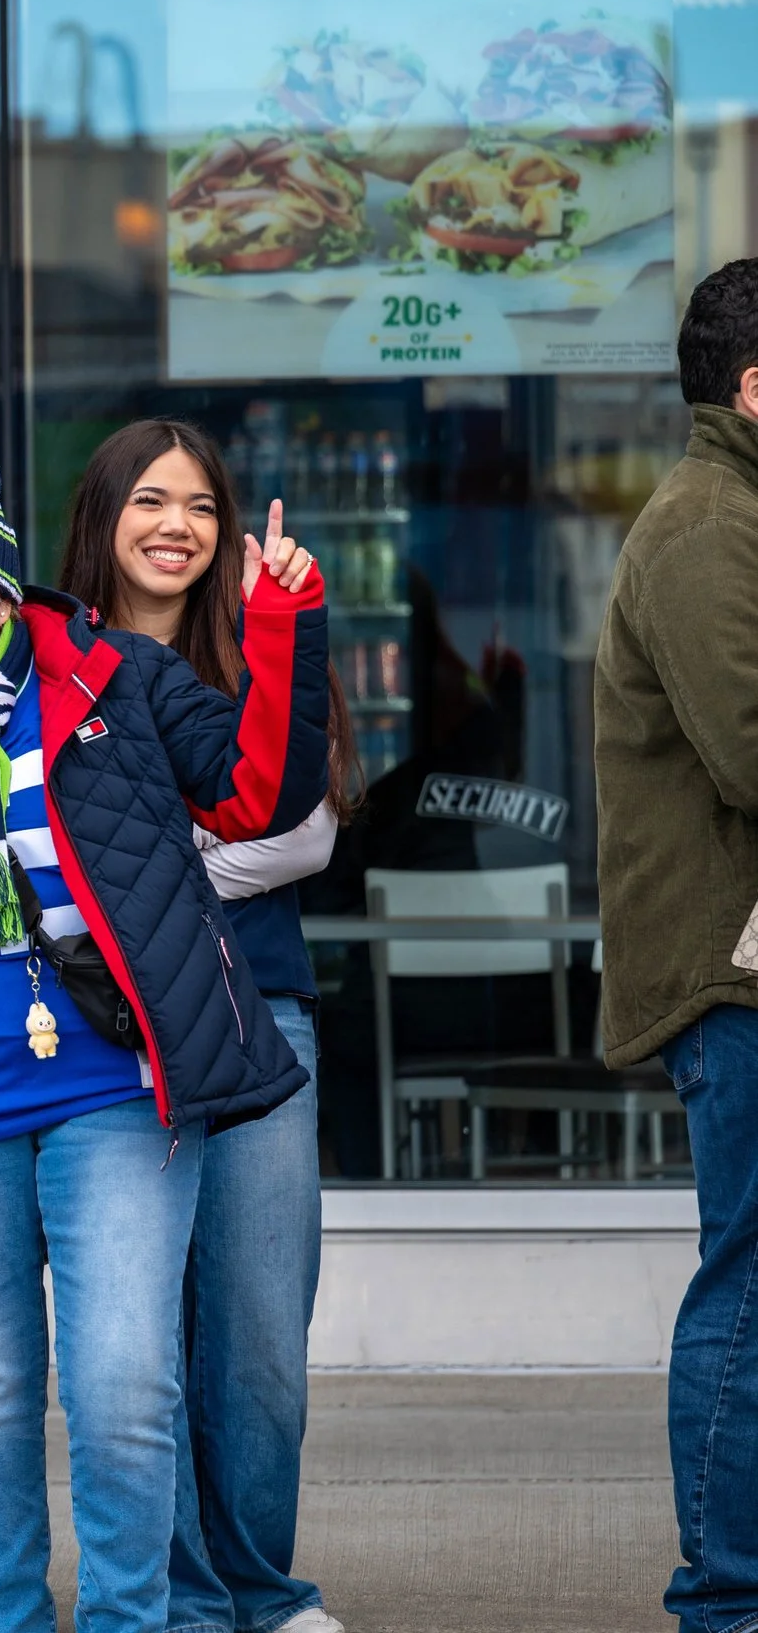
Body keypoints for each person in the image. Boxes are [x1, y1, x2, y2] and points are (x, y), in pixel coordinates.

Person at [0, 398, 329, 1633]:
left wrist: (281, 624)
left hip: (113, 1095)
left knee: (122, 1387)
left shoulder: (116, 678)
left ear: (0, 587)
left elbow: (260, 793)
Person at [57, 419, 354, 1633]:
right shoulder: (50, 664)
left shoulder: (260, 651)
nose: (174, 524)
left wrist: (140, 880)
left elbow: (303, 830)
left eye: (198, 504)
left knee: (259, 1344)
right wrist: (181, 863)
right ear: (103, 519)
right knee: (141, 1348)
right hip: (106, 1037)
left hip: (259, 1016)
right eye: (147, 500)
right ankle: (178, 1597)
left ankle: (260, 1589)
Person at [596, 255, 758, 1633]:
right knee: (747, 1280)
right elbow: (754, 749)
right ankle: (726, 1592)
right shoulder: (709, 524)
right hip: (735, 966)